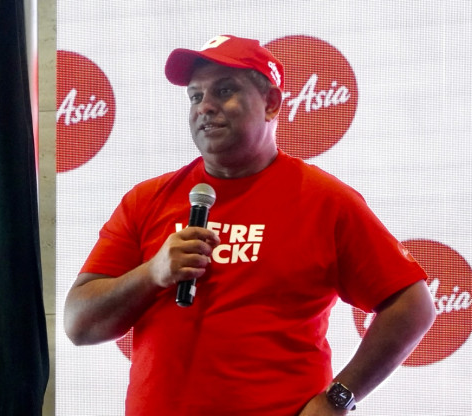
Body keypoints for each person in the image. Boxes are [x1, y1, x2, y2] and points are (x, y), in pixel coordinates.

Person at [64, 34, 436, 416]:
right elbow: (79, 324)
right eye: (195, 96)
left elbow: (412, 306)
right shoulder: (147, 200)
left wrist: (339, 398)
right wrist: (152, 273)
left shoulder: (324, 199)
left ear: (271, 104)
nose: (205, 107)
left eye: (224, 91)